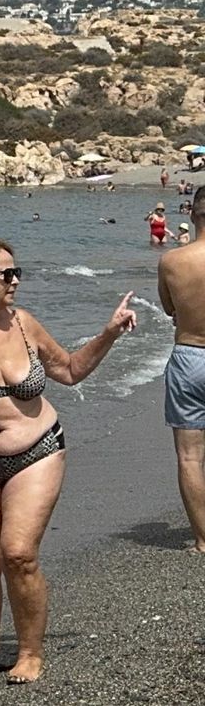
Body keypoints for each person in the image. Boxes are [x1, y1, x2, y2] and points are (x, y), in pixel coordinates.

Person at [0, 239, 134, 684]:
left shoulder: (24, 325)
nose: (16, 281)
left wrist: (108, 332)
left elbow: (69, 371)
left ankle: (30, 654)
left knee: (19, 553)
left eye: (17, 273)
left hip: (37, 452)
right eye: (5, 275)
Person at [157, 187, 205, 554]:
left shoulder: (172, 261)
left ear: (192, 214)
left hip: (190, 354)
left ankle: (203, 540)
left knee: (190, 455)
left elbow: (169, 308)